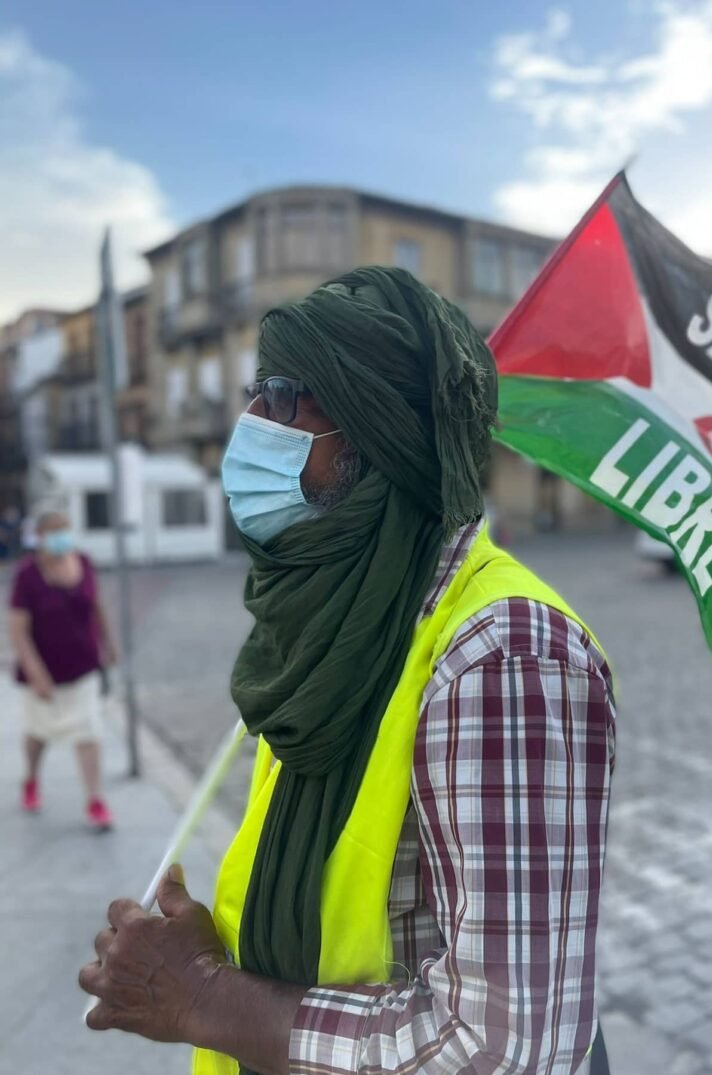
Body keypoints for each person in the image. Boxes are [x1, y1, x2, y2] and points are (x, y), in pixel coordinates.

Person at [80, 268, 616, 1075]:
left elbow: (504, 1050)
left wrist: (204, 996)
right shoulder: (339, 623)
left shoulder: (503, 653)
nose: (250, 422)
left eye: (281, 394)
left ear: (375, 430)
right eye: (253, 391)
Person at [8, 509, 116, 829]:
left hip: (83, 666)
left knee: (89, 732)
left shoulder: (82, 561)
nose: (61, 538)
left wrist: (109, 642)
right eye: (53, 531)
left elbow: (96, 605)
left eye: (64, 529)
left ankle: (95, 801)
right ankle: (30, 779)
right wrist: (35, 671)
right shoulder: (27, 574)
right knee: (39, 733)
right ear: (38, 537)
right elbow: (17, 629)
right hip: (44, 672)